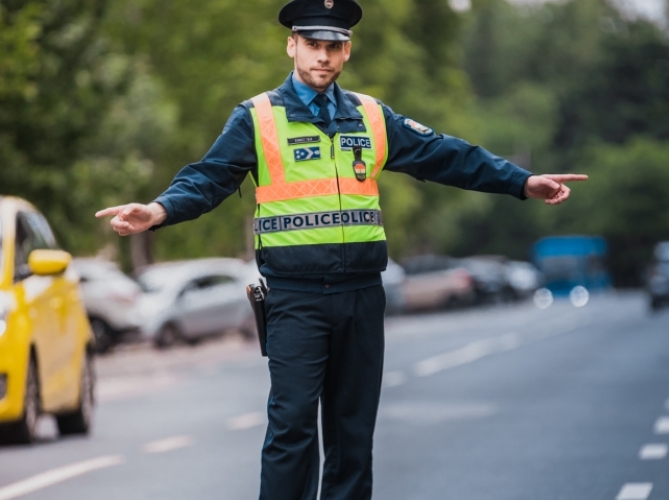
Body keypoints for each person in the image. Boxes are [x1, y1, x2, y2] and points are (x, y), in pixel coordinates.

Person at [96, 0, 588, 498]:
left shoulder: (371, 116)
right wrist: (158, 210)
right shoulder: (257, 117)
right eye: (312, 45)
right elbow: (208, 178)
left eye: (334, 46)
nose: (323, 57)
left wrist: (521, 182)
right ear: (291, 45)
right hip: (294, 299)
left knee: (353, 436)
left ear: (347, 52)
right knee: (291, 430)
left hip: (361, 296)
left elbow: (446, 155)